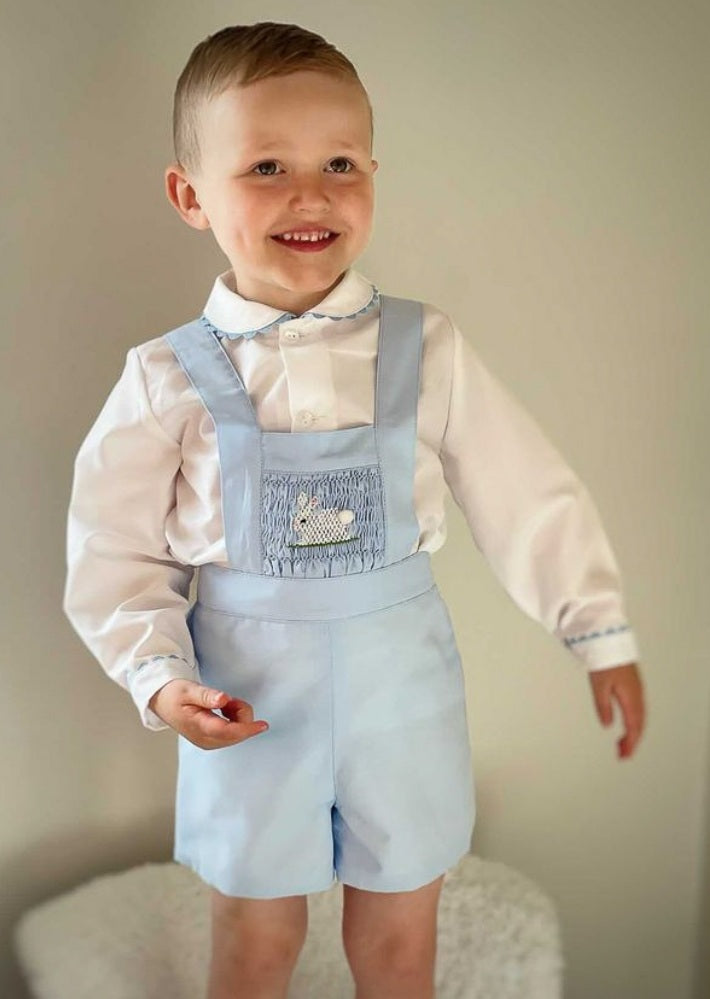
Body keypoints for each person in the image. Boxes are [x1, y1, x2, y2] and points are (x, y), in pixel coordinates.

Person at [63, 21, 646, 999]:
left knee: (401, 937)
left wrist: (597, 630)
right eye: (266, 166)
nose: (310, 194)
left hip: (399, 689)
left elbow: (524, 492)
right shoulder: (167, 376)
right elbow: (112, 550)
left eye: (339, 162)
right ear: (190, 195)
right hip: (244, 697)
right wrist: (159, 679)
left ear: (374, 173)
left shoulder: (424, 347)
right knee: (254, 942)